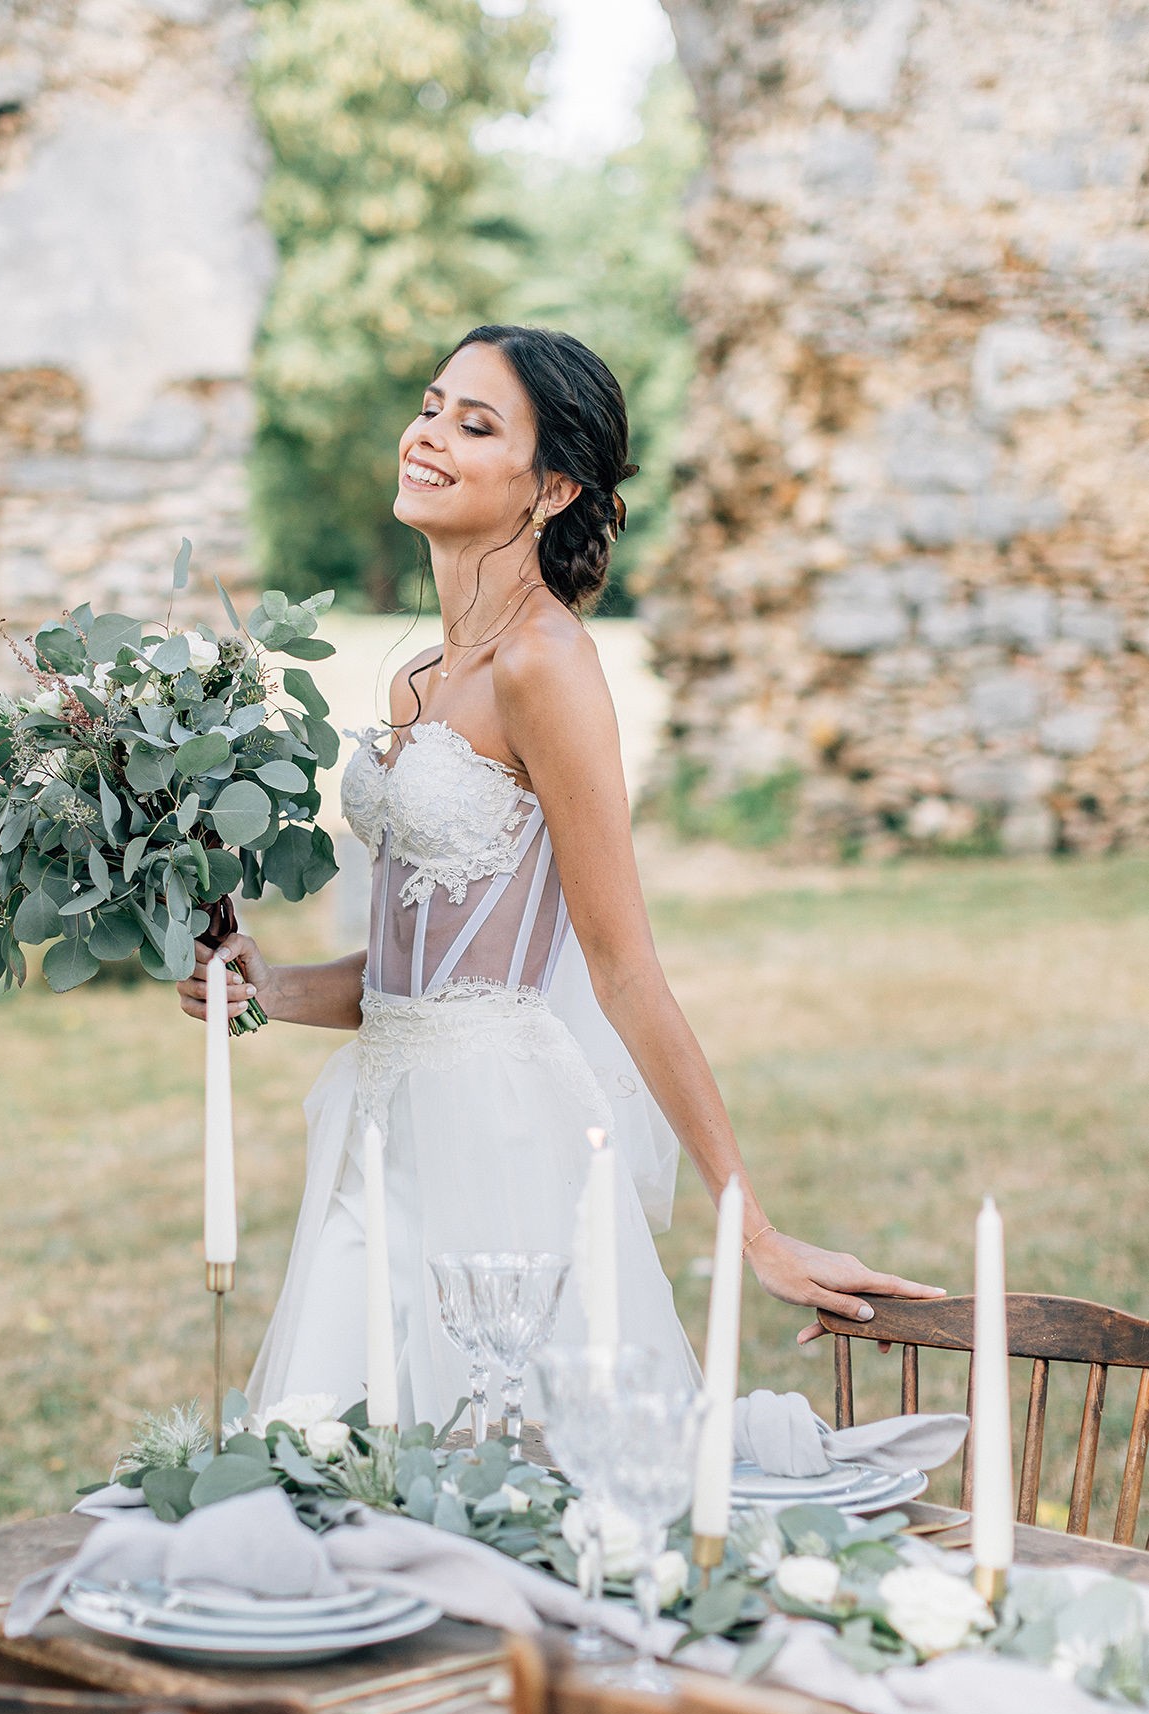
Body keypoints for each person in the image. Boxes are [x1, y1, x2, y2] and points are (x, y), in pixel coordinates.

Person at [179, 323, 942, 1427]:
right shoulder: (420, 681)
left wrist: (751, 1226)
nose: (428, 435)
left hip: (498, 1136)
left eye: (474, 424)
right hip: (380, 1122)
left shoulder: (548, 668)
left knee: (517, 1476)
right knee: (337, 1455)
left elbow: (620, 965)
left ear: (551, 489)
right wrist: (263, 983)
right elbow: (415, 973)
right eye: (433, 405)